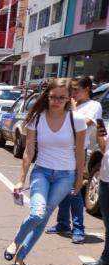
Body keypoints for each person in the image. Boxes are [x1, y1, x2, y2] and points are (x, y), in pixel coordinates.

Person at [5, 78, 86, 265]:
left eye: (61, 98)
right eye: (53, 97)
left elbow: (80, 152)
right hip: (41, 171)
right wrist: (21, 179)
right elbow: (29, 150)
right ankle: (16, 241)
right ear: (47, 96)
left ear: (69, 98)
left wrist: (79, 178)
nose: (56, 101)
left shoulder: (77, 119)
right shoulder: (37, 117)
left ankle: (21, 257)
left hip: (65, 176)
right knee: (37, 213)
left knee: (45, 215)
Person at [46, 77, 102, 243]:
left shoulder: (93, 106)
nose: (73, 93)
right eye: (72, 90)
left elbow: (82, 125)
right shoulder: (69, 104)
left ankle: (78, 228)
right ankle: (63, 223)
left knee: (74, 190)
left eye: (76, 89)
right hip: (61, 150)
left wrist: (73, 109)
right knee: (61, 187)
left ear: (87, 89)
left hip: (77, 151)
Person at [82, 119, 109, 265]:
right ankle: (106, 260)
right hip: (105, 178)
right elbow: (104, 148)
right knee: (107, 222)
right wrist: (100, 135)